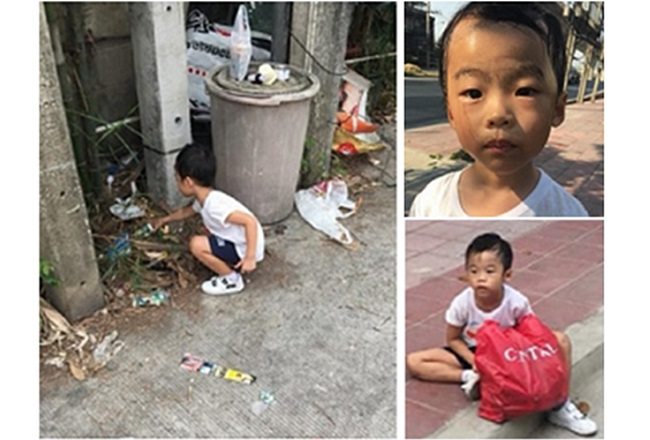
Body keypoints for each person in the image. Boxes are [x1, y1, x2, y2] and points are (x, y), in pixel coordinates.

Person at [406, 233, 597, 436]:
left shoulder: (516, 302)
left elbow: (533, 334)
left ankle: (559, 405)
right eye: (473, 271)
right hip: (475, 352)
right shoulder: (462, 303)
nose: (480, 278)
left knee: (561, 340)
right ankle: (471, 377)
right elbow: (453, 339)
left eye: (489, 271)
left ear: (507, 275)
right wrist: (475, 361)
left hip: (509, 355)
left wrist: (515, 364)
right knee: (415, 361)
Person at [409, 2, 588, 217]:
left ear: (557, 109)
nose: (498, 114)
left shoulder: (567, 213)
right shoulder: (431, 201)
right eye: (474, 93)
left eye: (525, 91)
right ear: (450, 112)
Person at [151, 143, 264, 295]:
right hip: (243, 242)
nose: (177, 183)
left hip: (245, 247)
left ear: (188, 182)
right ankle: (231, 264)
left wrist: (250, 257)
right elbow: (187, 211)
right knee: (206, 236)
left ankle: (231, 279)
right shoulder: (206, 198)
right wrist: (165, 220)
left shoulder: (214, 206)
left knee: (196, 244)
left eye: (177, 179)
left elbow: (249, 221)